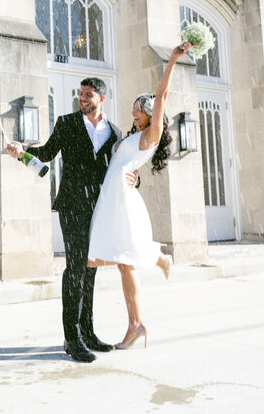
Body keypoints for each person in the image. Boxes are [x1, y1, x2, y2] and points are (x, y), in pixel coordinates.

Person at [7, 78, 138, 363]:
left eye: (88, 95)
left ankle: (88, 332)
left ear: (101, 98)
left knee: (90, 269)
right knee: (76, 268)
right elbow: (46, 153)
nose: (83, 98)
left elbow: (123, 168)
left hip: (100, 208)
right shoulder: (67, 123)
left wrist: (135, 178)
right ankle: (72, 337)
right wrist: (22, 153)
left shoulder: (115, 132)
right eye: (81, 94)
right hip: (73, 205)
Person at [87, 41, 192, 350]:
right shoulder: (131, 136)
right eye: (133, 107)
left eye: (138, 108)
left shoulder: (150, 134)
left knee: (121, 260)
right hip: (113, 197)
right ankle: (156, 259)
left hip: (122, 201)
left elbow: (162, 96)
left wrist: (171, 61)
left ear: (149, 114)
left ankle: (135, 323)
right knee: (116, 258)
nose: (133, 111)